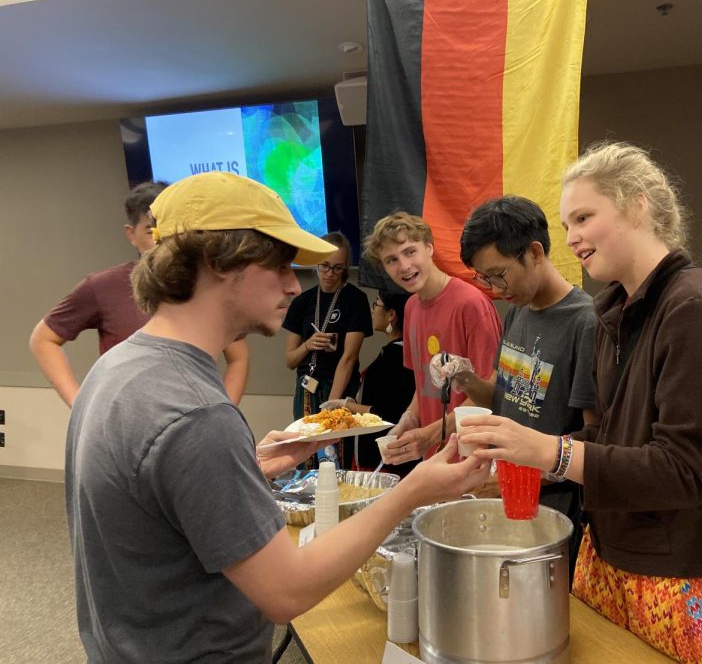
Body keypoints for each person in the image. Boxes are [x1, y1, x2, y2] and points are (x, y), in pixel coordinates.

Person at [65, 171, 489, 663]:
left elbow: (157, 503)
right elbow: (288, 592)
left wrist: (246, 463)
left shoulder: (117, 367)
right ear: (216, 263)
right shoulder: (197, 416)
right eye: (280, 265)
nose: (293, 284)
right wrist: (416, 489)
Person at [461, 143, 702, 663]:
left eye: (584, 217)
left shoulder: (698, 307)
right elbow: (613, 440)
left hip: (686, 574)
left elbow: (682, 471)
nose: (571, 238)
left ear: (637, 205)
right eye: (567, 223)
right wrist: (523, 450)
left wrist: (552, 453)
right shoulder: (615, 313)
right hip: (614, 559)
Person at [447, 194, 596, 570]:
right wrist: (465, 379)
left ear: (533, 252)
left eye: (498, 274)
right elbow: (503, 395)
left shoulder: (586, 323)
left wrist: (516, 479)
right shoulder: (518, 309)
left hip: (555, 512)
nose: (495, 289)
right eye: (484, 279)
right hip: (509, 498)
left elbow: (595, 441)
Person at [29, 181, 249, 406]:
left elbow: (238, 357)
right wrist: (80, 406)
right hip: (126, 420)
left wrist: (223, 408)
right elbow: (43, 339)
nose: (164, 240)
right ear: (131, 233)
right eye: (151, 231)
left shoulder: (206, 285)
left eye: (173, 230)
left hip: (193, 418)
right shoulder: (103, 286)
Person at [362, 212, 502, 463]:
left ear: (429, 248)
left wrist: (431, 434)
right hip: (434, 458)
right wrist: (410, 417)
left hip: (473, 458)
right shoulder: (412, 307)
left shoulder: (471, 304)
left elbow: (489, 395)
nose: (404, 266)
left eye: (410, 251)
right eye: (391, 260)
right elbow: (423, 380)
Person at [322, 289, 416, 476]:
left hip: (384, 462)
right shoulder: (394, 352)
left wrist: (346, 405)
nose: (372, 310)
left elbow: (386, 413)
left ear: (391, 315)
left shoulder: (396, 357)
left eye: (376, 304)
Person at [283, 231, 373, 422]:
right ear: (316, 262)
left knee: (335, 449)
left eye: (337, 268)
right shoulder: (302, 301)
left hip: (339, 387)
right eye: (324, 266)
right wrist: (308, 344)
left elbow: (349, 357)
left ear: (346, 267)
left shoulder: (355, 299)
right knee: (307, 448)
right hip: (307, 387)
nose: (330, 274)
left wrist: (332, 405)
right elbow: (290, 361)